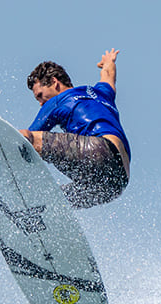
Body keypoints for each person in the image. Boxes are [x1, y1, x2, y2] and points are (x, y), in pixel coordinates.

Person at [19, 49, 131, 209]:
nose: (41, 103)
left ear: (54, 82)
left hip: (98, 151)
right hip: (117, 182)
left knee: (27, 138)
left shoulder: (58, 100)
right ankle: (37, 212)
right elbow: (108, 76)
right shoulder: (102, 92)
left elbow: (28, 138)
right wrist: (109, 62)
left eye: (40, 95)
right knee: (54, 201)